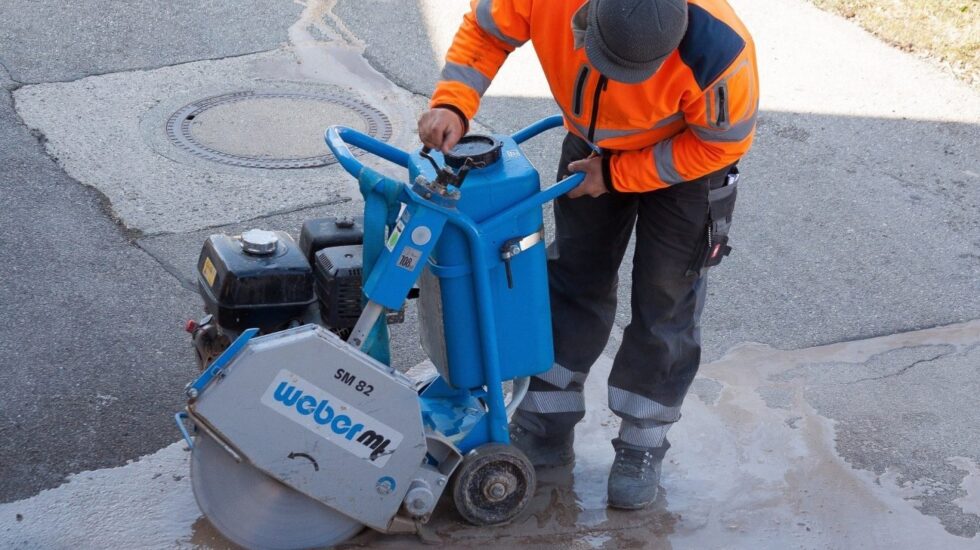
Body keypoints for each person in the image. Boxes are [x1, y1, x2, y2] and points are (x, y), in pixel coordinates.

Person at [418, 0, 758, 510]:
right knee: (571, 277)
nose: (618, 80)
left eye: (632, 72)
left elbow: (720, 145)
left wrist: (619, 175)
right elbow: (489, 31)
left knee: (666, 300)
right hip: (590, 143)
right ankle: (546, 422)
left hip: (686, 166)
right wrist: (454, 101)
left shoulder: (721, 53)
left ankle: (642, 444)